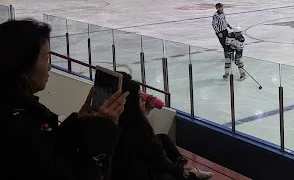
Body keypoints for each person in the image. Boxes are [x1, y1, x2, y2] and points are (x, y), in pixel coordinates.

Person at [0, 19, 128, 180]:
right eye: (45, 58)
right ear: (23, 65)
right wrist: (104, 129)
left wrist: (78, 122)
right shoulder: (18, 127)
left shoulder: (18, 106)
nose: (49, 67)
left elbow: (50, 151)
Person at [111, 73, 212, 180]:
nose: (143, 101)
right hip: (136, 172)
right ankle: (190, 174)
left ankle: (185, 168)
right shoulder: (139, 129)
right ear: (131, 104)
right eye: (140, 98)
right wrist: (178, 170)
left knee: (163, 138)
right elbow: (157, 157)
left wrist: (144, 111)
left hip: (130, 164)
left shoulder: (121, 118)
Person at [212, 3, 245, 81]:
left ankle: (242, 73)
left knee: (238, 60)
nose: (239, 34)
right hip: (222, 35)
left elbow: (239, 49)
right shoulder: (229, 36)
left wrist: (236, 57)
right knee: (227, 59)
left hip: (237, 49)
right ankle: (226, 72)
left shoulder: (241, 40)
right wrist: (229, 52)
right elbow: (227, 44)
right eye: (237, 33)